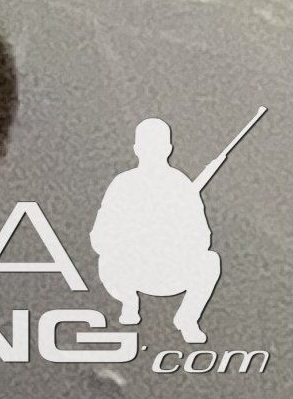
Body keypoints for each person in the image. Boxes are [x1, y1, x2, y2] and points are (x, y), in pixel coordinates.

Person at [90, 117, 223, 342]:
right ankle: (129, 304)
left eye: (158, 146)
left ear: (168, 149)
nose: (153, 151)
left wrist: (172, 236)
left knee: (210, 262)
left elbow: (203, 238)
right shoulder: (123, 185)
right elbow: (99, 236)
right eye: (147, 146)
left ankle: (187, 319)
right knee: (108, 261)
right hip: (129, 270)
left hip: (170, 269)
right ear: (136, 149)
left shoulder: (181, 186)